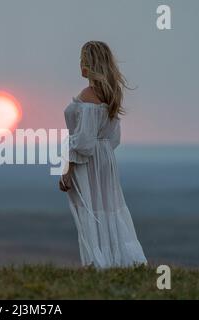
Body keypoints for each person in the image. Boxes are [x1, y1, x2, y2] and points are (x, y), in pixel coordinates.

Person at [59, 41, 147, 268]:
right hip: (105, 160)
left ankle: (98, 262)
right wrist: (101, 153)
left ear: (89, 64)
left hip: (87, 162)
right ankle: (119, 260)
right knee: (108, 207)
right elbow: (113, 138)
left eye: (82, 60)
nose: (80, 65)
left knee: (91, 209)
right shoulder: (111, 94)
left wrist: (67, 167)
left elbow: (85, 142)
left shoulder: (88, 95)